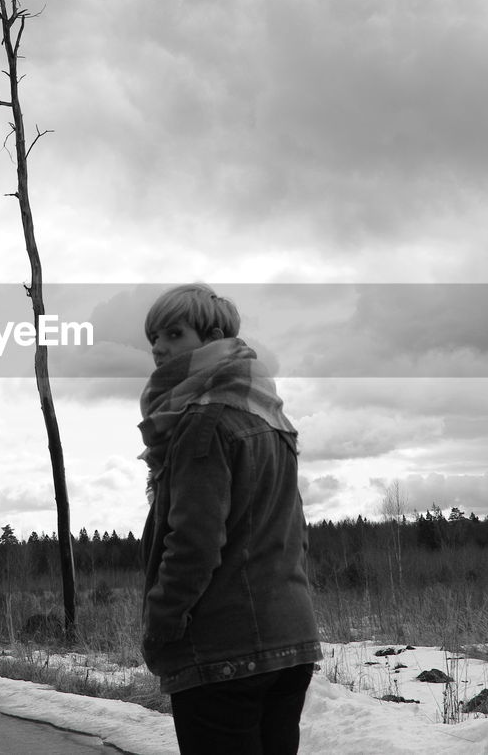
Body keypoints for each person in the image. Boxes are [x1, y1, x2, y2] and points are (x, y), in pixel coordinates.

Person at [138, 283, 322, 755]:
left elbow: (194, 542)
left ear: (213, 336)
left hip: (225, 647)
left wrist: (161, 623)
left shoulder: (204, 421)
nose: (159, 348)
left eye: (174, 334)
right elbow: (295, 533)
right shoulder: (270, 414)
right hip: (291, 637)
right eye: (154, 337)